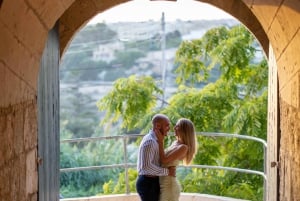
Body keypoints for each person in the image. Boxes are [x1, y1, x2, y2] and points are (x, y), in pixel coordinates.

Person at [155, 118, 197, 201]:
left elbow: (164, 160)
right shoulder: (175, 143)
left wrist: (160, 141)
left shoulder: (183, 147)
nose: (174, 128)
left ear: (183, 130)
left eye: (177, 126)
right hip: (163, 182)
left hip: (169, 185)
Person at [136, 114, 176, 201]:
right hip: (148, 183)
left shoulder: (156, 140)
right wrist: (167, 172)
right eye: (167, 125)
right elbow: (146, 167)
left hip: (151, 182)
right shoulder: (151, 141)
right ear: (157, 126)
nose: (169, 128)